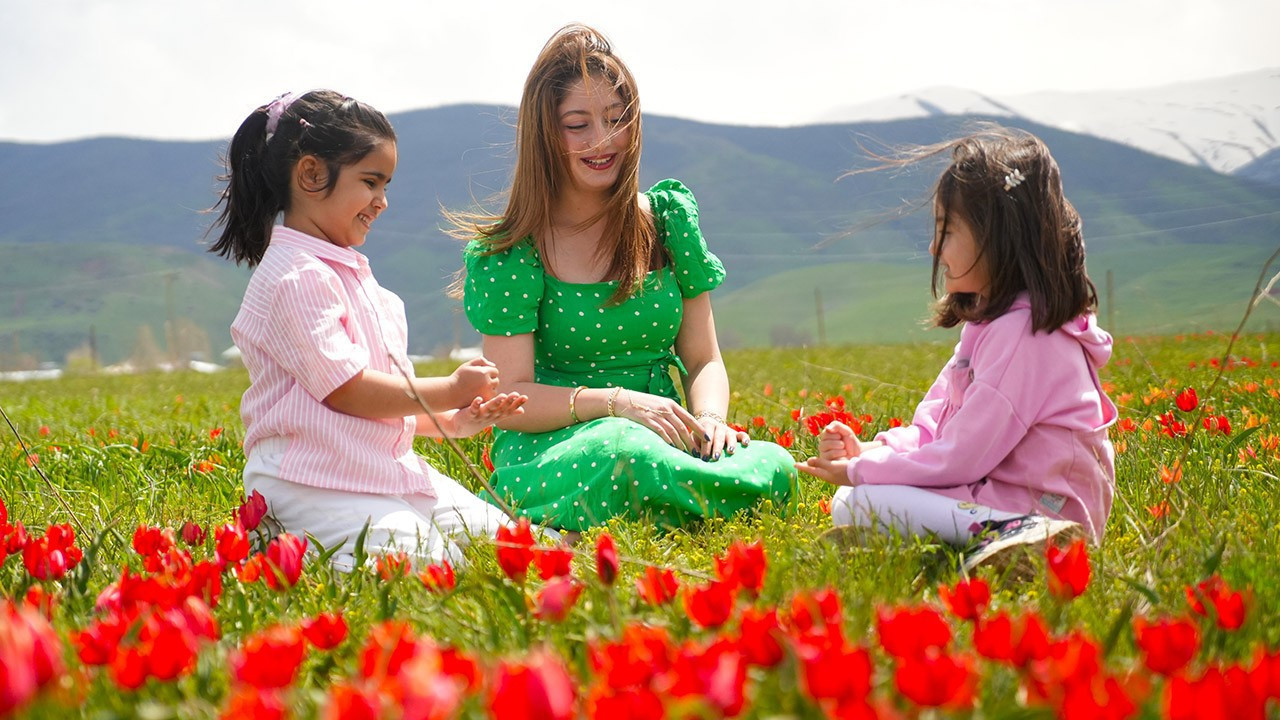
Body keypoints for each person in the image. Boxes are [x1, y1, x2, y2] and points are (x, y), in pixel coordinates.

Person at [451, 25, 795, 532]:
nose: (603, 140)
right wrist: (616, 404)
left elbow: (703, 359)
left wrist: (713, 422)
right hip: (559, 445)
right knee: (621, 451)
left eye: (617, 119)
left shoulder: (667, 221)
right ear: (544, 131)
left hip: (667, 437)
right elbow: (511, 402)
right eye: (578, 124)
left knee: (776, 463)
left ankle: (675, 495)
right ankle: (692, 501)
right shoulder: (514, 252)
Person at [208, 90, 533, 568]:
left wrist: (453, 421)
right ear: (312, 174)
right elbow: (348, 391)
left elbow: (375, 407)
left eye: (385, 185)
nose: (382, 201)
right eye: (370, 182)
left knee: (506, 542)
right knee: (433, 564)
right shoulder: (296, 276)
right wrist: (447, 389)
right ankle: (279, 540)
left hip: (379, 472)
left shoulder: (348, 274)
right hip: (310, 480)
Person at [797, 127, 1116, 574]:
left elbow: (962, 455)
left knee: (861, 497)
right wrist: (869, 451)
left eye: (947, 232)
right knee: (851, 500)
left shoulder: (1024, 336)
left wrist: (862, 471)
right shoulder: (989, 326)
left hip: (1054, 512)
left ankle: (1025, 540)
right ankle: (974, 544)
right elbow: (935, 428)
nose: (933, 249)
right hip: (997, 493)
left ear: (999, 236)